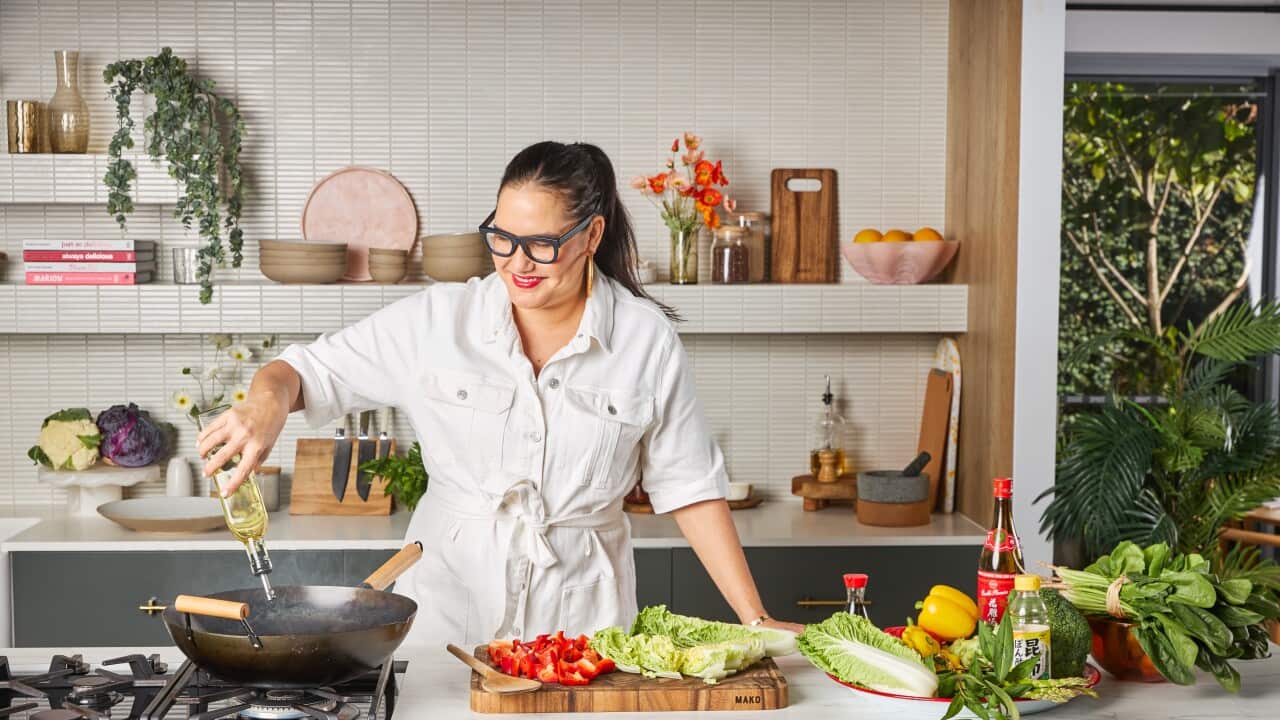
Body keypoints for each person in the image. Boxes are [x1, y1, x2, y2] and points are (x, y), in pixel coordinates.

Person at [198, 140, 802, 644]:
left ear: (592, 235)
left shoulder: (645, 340)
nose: (518, 263)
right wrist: (264, 403)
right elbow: (301, 371)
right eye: (502, 238)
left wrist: (755, 618)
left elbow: (691, 489)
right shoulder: (438, 320)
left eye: (542, 244)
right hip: (447, 621)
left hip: (583, 626)